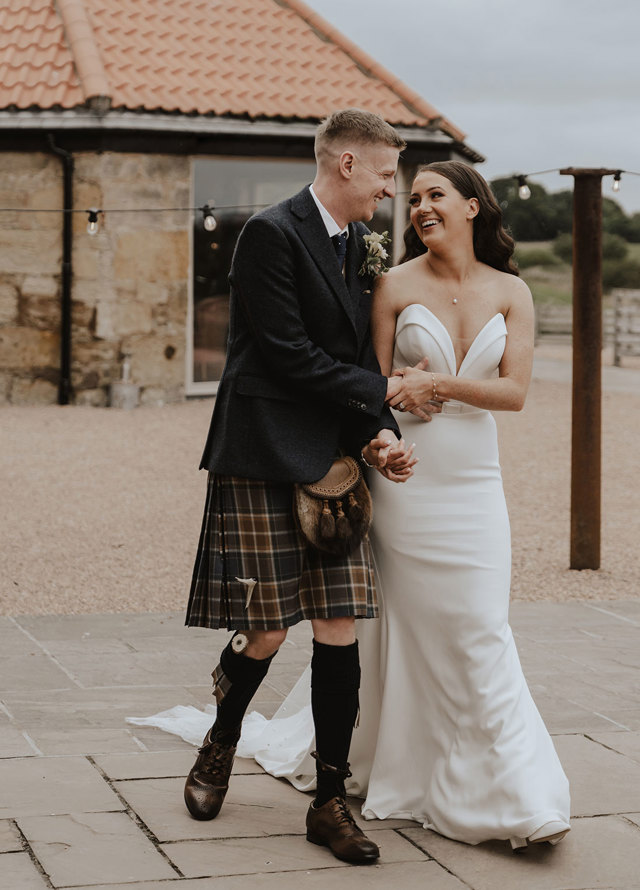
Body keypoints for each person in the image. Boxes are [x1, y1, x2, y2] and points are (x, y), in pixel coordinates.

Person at [229, 160, 570, 849]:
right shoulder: (390, 284)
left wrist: (435, 383)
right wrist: (384, 435)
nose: (419, 207)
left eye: (435, 195)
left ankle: (514, 791)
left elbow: (515, 393)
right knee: (396, 627)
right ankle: (398, 758)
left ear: (474, 207)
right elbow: (369, 386)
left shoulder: (513, 290)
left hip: (474, 481)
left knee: (481, 624)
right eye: (412, 198)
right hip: (405, 477)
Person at [182, 108, 419, 867]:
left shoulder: (359, 246)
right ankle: (220, 742)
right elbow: (286, 356)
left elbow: (350, 354)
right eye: (385, 175)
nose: (390, 191)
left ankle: (328, 801)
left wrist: (379, 431)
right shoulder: (271, 233)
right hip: (263, 450)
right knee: (271, 630)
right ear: (347, 163)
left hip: (334, 460)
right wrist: (387, 387)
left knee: (340, 625)